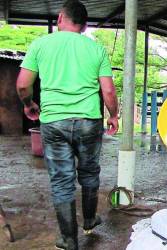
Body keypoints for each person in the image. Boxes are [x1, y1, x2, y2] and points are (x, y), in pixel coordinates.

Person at [16, 0, 119, 249]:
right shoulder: (96, 49)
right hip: (88, 121)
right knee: (89, 171)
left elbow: (22, 84)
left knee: (62, 180)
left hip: (54, 121)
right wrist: (113, 115)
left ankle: (69, 239)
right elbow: (108, 91)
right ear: (84, 25)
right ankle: (90, 219)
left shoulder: (40, 44)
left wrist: (29, 103)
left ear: (61, 18)